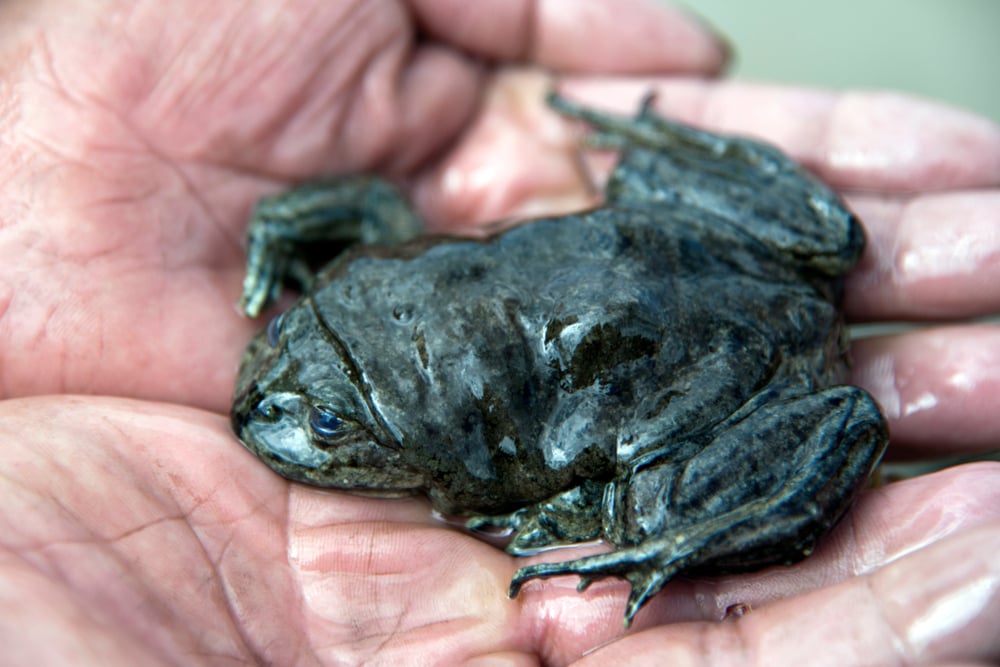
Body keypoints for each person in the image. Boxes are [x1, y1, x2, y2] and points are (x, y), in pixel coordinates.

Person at [0, 1, 997, 664]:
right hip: (675, 245)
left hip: (750, 372)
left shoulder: (479, 462)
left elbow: (550, 478)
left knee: (645, 507)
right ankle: (649, 160)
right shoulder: (380, 263)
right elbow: (373, 211)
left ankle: (682, 524)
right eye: (298, 325)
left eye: (332, 425)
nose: (267, 404)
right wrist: (280, 227)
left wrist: (596, 523)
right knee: (649, 190)